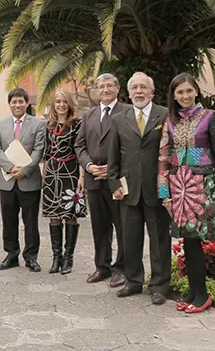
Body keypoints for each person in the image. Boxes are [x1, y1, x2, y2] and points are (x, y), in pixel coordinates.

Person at [158, 73, 215, 313]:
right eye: (180, 92)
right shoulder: (170, 121)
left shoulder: (211, 117)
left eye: (189, 91)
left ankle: (202, 296)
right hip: (179, 187)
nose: (185, 96)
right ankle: (194, 291)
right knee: (188, 240)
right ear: (174, 96)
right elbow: (164, 157)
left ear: (196, 91)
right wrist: (163, 192)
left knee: (196, 240)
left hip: (203, 184)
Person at [107, 72, 170, 304]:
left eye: (144, 87)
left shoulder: (164, 115)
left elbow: (170, 153)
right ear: (129, 92)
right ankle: (133, 282)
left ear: (152, 92)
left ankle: (160, 286)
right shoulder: (119, 119)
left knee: (159, 241)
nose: (139, 91)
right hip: (128, 191)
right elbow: (113, 156)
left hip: (158, 190)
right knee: (130, 239)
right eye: (135, 88)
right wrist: (114, 184)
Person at [75, 73, 129, 287]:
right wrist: (89, 166)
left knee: (122, 226)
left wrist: (113, 169)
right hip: (93, 179)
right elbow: (79, 145)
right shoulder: (88, 115)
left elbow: (130, 146)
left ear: (117, 88)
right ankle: (102, 267)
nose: (105, 90)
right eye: (101, 86)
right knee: (99, 226)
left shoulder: (126, 112)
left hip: (117, 181)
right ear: (96, 91)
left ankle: (122, 268)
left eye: (109, 86)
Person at [0, 87, 46, 272]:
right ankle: (11, 254)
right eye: (14, 102)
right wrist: (9, 167)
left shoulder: (38, 125)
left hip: (29, 180)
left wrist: (25, 170)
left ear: (26, 103)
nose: (17, 104)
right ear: (9, 104)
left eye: (20, 101)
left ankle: (31, 257)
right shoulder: (0, 124)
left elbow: (39, 150)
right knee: (8, 220)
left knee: (30, 221)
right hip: (7, 181)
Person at [42, 89, 86, 275]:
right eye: (58, 101)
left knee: (70, 214)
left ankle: (68, 258)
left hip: (71, 173)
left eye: (64, 102)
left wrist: (82, 176)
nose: (61, 105)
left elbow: (81, 150)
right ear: (53, 104)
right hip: (52, 173)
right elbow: (46, 152)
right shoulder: (49, 125)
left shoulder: (77, 124)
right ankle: (56, 257)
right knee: (54, 214)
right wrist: (44, 174)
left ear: (69, 104)